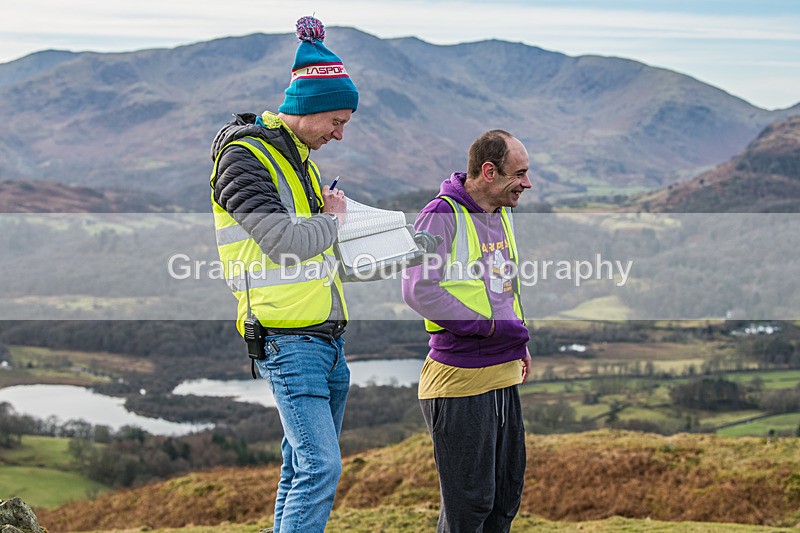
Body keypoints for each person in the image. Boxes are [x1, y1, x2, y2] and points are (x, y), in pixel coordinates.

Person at [208, 16, 358, 533]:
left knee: (300, 466)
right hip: (286, 341)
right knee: (321, 467)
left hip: (328, 341)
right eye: (336, 121)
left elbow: (320, 252)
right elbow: (285, 242)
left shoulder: (301, 161)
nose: (339, 135)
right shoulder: (243, 159)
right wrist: (333, 222)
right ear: (309, 108)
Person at [402, 130, 533, 532]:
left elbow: (502, 287)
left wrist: (518, 340)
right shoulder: (441, 215)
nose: (527, 183)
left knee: (503, 501)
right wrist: (490, 328)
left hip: (502, 373)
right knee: (469, 510)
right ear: (489, 171)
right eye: (520, 173)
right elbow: (417, 289)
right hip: (459, 381)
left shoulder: (502, 214)